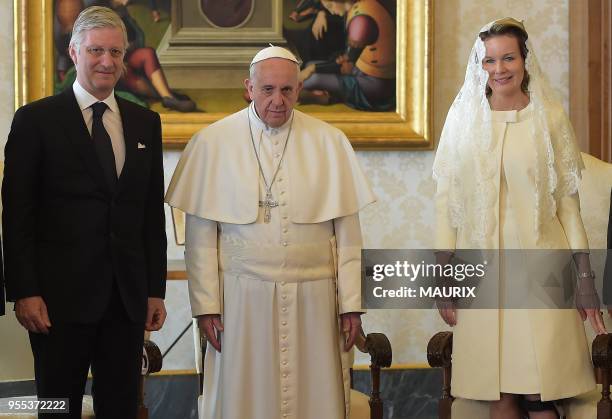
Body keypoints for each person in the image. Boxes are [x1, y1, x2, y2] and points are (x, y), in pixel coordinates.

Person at [166, 45, 375, 419]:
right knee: (246, 398)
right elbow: (201, 237)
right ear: (249, 87)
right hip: (242, 297)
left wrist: (352, 305)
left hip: (315, 298)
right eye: (267, 90)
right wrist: (207, 307)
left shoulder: (329, 141)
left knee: (316, 398)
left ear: (299, 89)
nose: (278, 101)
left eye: (287, 90)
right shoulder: (213, 142)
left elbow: (348, 234)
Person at [432, 18, 605, 419]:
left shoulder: (551, 118)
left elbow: (569, 208)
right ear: (480, 66)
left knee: (540, 392)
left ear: (525, 60)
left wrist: (585, 280)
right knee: (500, 394)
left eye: (508, 57)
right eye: (489, 60)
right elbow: (446, 205)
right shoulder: (462, 122)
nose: (499, 69)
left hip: (544, 267)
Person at [2, 6, 167, 418]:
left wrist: (154, 289)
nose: (107, 61)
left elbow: (149, 213)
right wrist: (24, 291)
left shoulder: (145, 122)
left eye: (115, 52)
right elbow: (17, 214)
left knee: (121, 408)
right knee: (58, 408)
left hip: (125, 302)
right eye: (96, 50)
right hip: (56, 304)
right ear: (74, 52)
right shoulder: (36, 120)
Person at [298, 0, 395, 111]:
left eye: (330, 6)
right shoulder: (358, 8)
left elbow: (346, 64)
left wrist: (312, 69)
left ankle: (327, 96)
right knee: (310, 65)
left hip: (376, 84)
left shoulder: (361, 21)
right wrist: (311, 68)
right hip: (360, 70)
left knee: (313, 78)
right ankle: (326, 96)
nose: (330, 11)